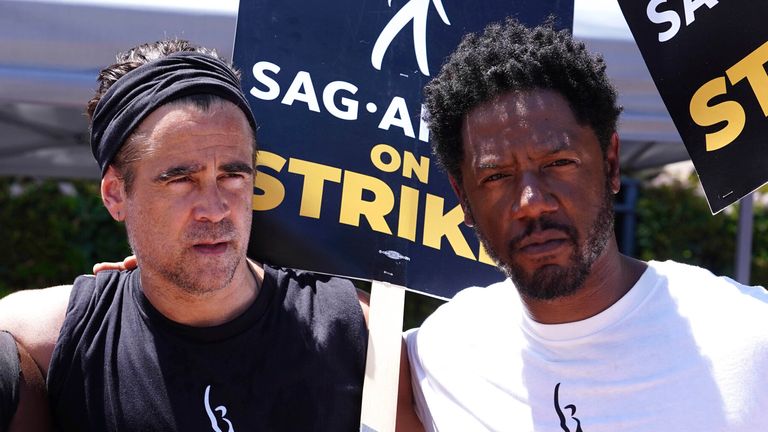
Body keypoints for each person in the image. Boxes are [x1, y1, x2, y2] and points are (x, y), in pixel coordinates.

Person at [0, 39, 419, 432]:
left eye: (233, 175)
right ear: (115, 194)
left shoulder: (356, 332)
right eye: (180, 179)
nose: (216, 208)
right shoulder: (45, 342)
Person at [406, 17, 768, 431]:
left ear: (610, 164)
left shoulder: (748, 339)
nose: (531, 203)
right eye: (496, 177)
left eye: (558, 164)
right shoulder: (443, 354)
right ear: (463, 198)